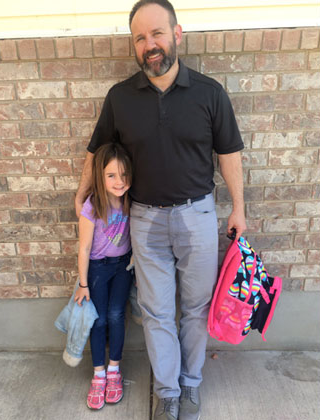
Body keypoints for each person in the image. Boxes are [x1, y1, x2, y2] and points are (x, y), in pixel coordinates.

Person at [74, 1, 246, 419]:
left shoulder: (209, 93)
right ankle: (167, 391)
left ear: (177, 34)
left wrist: (239, 207)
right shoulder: (120, 97)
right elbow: (97, 152)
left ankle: (190, 386)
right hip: (145, 220)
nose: (149, 44)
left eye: (157, 34)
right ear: (134, 45)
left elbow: (229, 154)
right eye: (140, 37)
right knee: (155, 311)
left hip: (198, 216)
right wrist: (80, 198)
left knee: (194, 308)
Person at [74, 142, 135, 410]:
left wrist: (136, 257)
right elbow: (84, 247)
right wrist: (83, 284)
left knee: (116, 316)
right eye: (111, 175)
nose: (119, 182)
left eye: (124, 175)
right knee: (98, 322)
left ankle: (114, 370)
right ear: (100, 176)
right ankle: (98, 374)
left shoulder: (132, 201)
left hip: (123, 267)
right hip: (98, 268)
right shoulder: (92, 206)